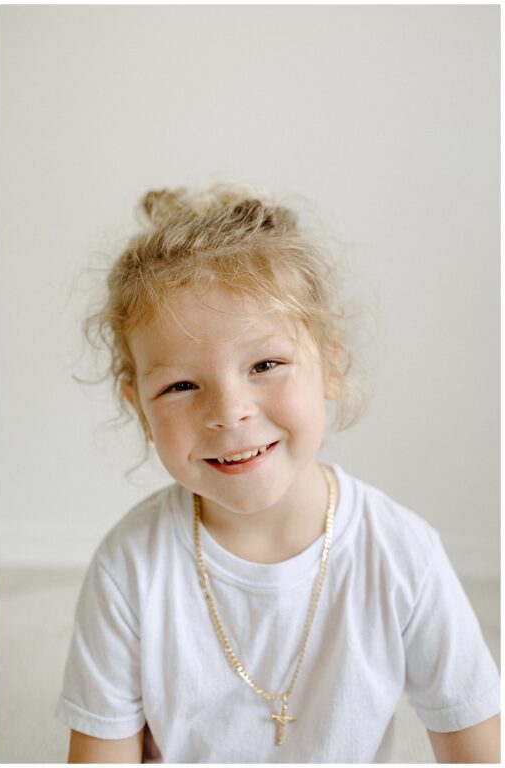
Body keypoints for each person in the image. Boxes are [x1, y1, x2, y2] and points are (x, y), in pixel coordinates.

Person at [58, 183, 499, 763]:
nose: (228, 411)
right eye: (181, 385)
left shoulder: (401, 555)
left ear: (330, 364)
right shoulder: (129, 568)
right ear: (139, 406)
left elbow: (478, 750)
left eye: (265, 364)